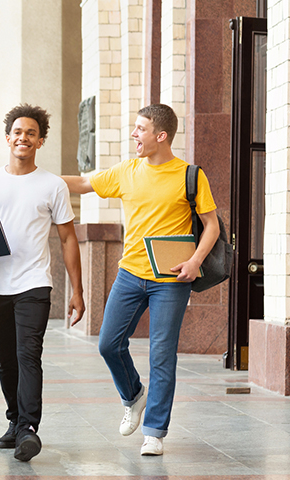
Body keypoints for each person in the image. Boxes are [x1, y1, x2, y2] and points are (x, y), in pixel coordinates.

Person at [61, 104, 220, 456]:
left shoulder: (190, 175)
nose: (134, 134)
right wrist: (37, 179)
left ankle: (155, 431)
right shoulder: (127, 171)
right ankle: (133, 396)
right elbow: (85, 182)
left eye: (140, 128)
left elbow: (212, 225)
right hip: (130, 273)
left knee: (161, 354)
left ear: (160, 136)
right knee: (108, 344)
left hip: (172, 279)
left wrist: (196, 261)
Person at [0, 104, 85, 462]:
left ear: (40, 141)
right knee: (5, 358)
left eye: (31, 133)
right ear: (8, 138)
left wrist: (78, 291)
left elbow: (68, 239)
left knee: (28, 354)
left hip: (35, 283)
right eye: (18, 132)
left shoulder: (52, 185)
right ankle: (14, 420)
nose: (23, 138)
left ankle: (28, 429)